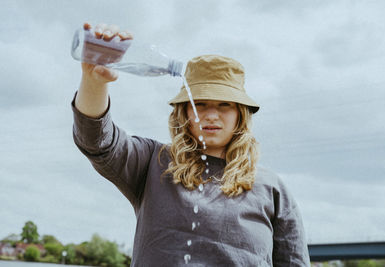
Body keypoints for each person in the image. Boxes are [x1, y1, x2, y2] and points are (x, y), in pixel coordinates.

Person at [72, 23, 310, 266]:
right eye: (201, 103)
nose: (211, 115)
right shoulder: (153, 162)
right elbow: (97, 141)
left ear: (241, 113)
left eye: (224, 104)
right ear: (184, 111)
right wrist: (94, 81)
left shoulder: (271, 188)